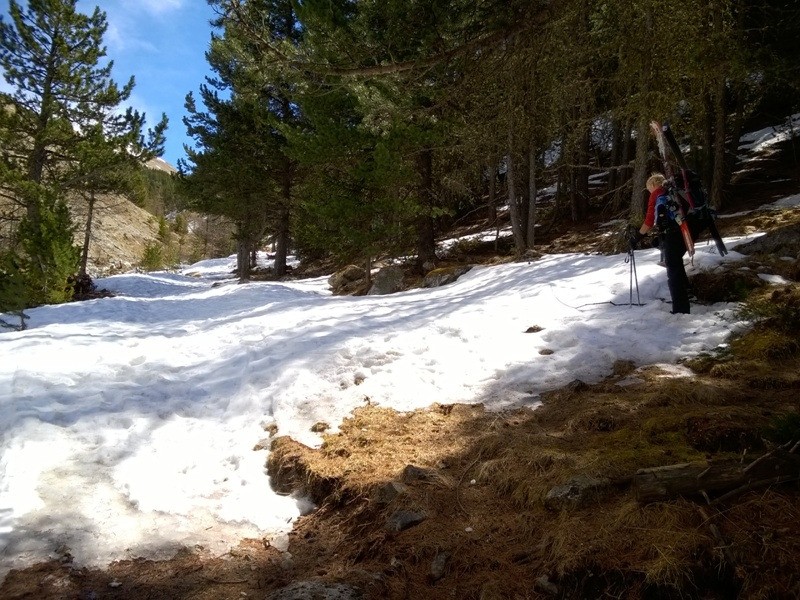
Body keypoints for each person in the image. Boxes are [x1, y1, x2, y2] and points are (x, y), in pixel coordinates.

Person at [630, 172, 703, 314]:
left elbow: (650, 220)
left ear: (652, 184)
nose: (649, 191)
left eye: (648, 188)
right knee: (676, 262)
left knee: (673, 268)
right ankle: (688, 294)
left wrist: (638, 237)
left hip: (674, 232)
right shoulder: (672, 191)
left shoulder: (657, 193)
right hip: (688, 227)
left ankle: (680, 310)